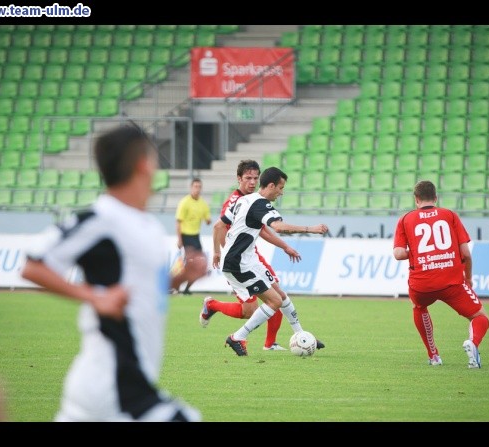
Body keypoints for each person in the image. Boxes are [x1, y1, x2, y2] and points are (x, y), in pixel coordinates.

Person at [21, 124, 207, 422]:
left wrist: (180, 278)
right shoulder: (101, 218)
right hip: (112, 384)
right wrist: (95, 296)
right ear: (144, 164)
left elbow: (142, 288)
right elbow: (33, 264)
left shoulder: (146, 225)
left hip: (123, 382)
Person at [200, 160, 324, 351]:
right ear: (272, 185)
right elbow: (278, 227)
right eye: (281, 188)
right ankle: (238, 336)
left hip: (248, 260)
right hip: (238, 264)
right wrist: (311, 229)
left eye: (255, 178)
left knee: (280, 296)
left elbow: (221, 225)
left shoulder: (243, 200)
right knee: (272, 302)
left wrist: (219, 251)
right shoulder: (260, 204)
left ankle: (301, 335)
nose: (281, 192)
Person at [392, 180, 489, 368]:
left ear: (416, 199)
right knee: (480, 316)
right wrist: (468, 279)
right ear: (435, 198)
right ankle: (473, 344)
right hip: (451, 281)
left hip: (422, 284)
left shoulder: (406, 219)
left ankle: (434, 356)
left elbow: (398, 254)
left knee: (418, 307)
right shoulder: (449, 215)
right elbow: (466, 254)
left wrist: (417, 252)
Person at [175, 178, 212, 295]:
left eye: (199, 187)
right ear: (191, 188)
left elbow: (207, 219)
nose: (197, 189)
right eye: (195, 186)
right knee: (189, 263)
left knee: (200, 263)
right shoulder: (184, 202)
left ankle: (186, 289)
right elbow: (178, 222)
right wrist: (179, 239)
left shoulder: (203, 204)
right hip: (186, 236)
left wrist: (208, 220)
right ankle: (175, 284)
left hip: (196, 237)